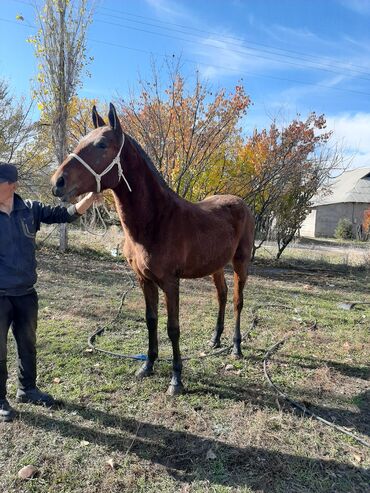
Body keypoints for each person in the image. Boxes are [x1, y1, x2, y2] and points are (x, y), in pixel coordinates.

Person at [0, 163, 98, 422]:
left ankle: (27, 389)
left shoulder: (30, 209)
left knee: (28, 345)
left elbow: (65, 214)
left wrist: (89, 199)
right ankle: (0, 398)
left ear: (12, 185)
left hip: (26, 294)